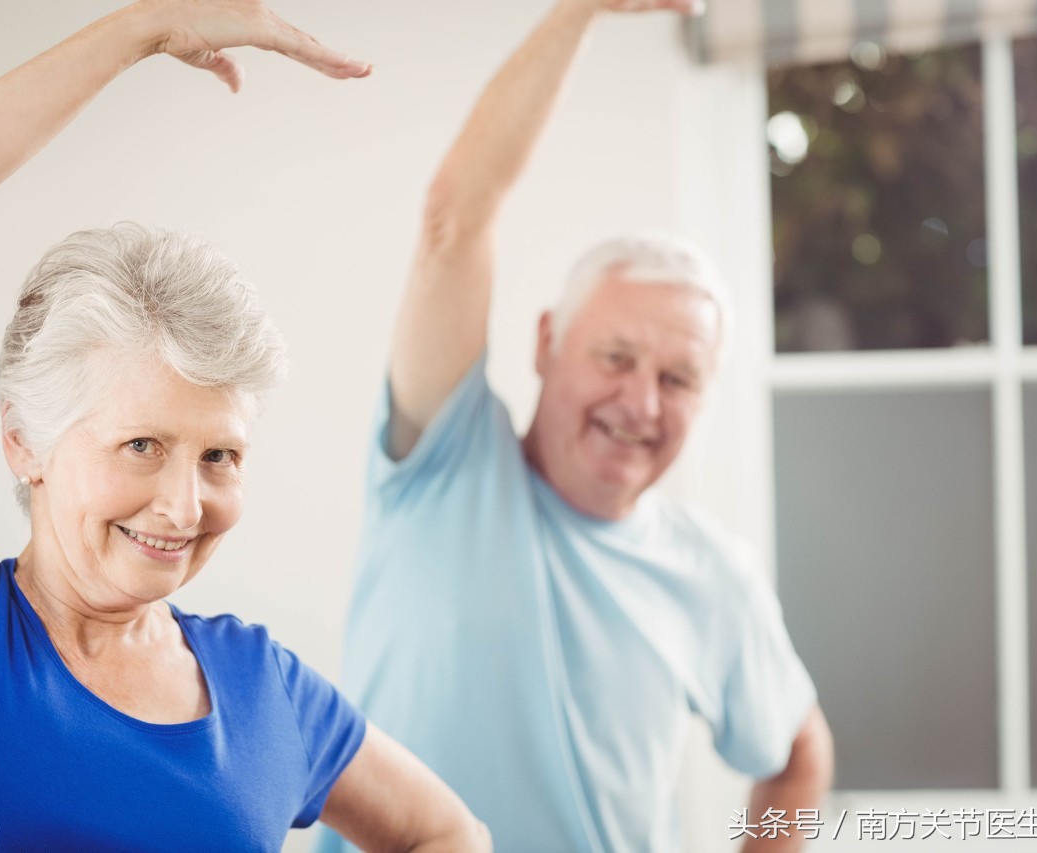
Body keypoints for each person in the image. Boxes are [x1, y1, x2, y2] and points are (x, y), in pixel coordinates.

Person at [0, 1, 492, 850]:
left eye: (220, 455)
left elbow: (447, 833)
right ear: (24, 441)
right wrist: (141, 29)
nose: (183, 506)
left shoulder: (263, 690)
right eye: (142, 445)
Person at [318, 0, 834, 851]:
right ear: (548, 340)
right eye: (616, 357)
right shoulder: (443, 465)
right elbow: (455, 219)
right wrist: (578, 14)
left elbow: (799, 751)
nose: (641, 403)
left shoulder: (711, 574)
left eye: (677, 378)